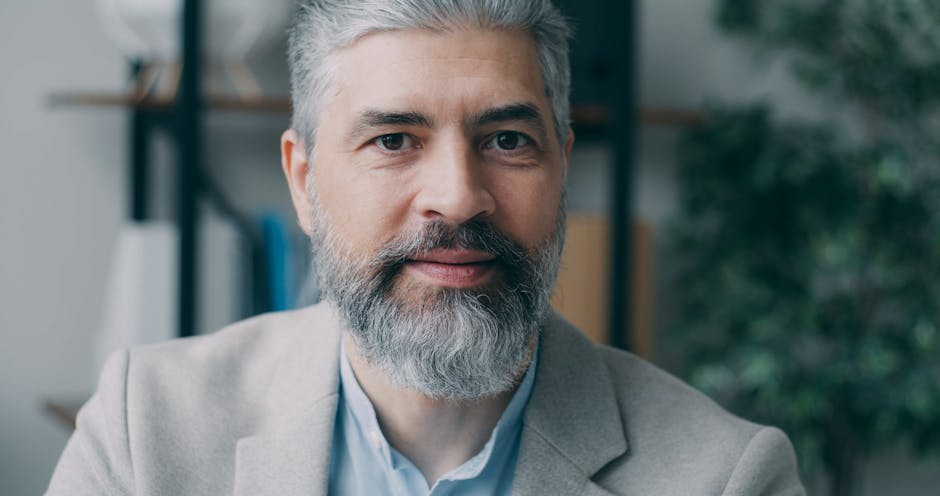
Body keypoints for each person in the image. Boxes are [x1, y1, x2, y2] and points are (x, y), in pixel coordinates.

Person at [47, 1, 806, 494]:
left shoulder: (724, 477)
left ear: (563, 169)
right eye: (394, 140)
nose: (458, 195)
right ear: (304, 182)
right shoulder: (142, 434)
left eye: (507, 140)